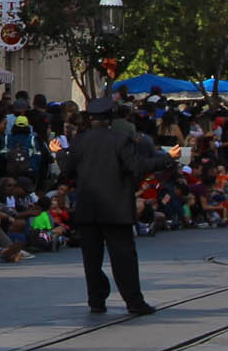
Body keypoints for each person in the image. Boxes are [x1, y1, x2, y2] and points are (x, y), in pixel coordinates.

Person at [65, 99, 178, 316]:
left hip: (88, 208)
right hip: (115, 208)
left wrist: (60, 154)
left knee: (91, 258)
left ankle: (96, 300)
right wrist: (166, 158)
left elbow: (67, 171)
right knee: (123, 257)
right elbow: (137, 167)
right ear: (111, 118)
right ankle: (134, 301)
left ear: (91, 118)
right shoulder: (120, 140)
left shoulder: (79, 140)